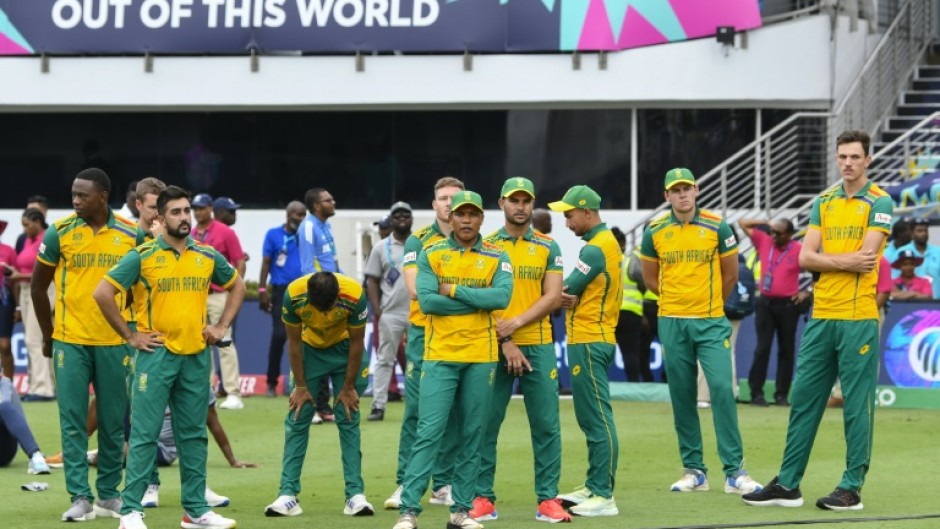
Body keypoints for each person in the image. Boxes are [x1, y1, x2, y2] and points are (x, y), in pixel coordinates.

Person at [743, 130, 892, 511]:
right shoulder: (823, 201)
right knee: (804, 402)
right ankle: (788, 485)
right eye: (842, 156)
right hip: (822, 315)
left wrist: (826, 260)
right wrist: (843, 261)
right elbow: (806, 258)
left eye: (855, 157)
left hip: (858, 317)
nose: (847, 163)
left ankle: (851, 487)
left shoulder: (880, 201)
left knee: (856, 405)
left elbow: (868, 258)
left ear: (868, 160)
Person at [93, 185, 245, 529]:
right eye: (175, 212)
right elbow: (102, 292)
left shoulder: (206, 255)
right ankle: (131, 511)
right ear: (160, 218)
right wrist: (130, 335)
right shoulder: (142, 256)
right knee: (145, 435)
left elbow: (236, 285)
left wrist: (221, 325)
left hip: (195, 357)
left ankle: (195, 511)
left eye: (187, 210)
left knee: (193, 436)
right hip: (156, 356)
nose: (184, 217)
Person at [393, 190, 513, 529]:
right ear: (451, 216)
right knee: (429, 432)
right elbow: (428, 303)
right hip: (440, 355)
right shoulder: (431, 253)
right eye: (460, 213)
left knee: (472, 433)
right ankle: (409, 511)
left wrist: (456, 291)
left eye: (472, 214)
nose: (465, 219)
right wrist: (479, 302)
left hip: (481, 356)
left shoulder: (497, 254)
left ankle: (460, 512)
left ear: (480, 219)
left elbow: (502, 296)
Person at [640, 168, 762, 497]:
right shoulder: (654, 230)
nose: (682, 195)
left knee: (722, 388)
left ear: (696, 190)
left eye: (686, 189)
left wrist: (708, 305)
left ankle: (735, 471)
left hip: (710, 321)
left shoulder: (717, 226)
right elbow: (650, 278)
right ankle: (695, 470)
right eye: (674, 190)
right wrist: (677, 303)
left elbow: (730, 275)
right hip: (672, 321)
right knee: (682, 396)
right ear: (666, 196)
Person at [32, 168, 144, 522]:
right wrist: (50, 336)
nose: (75, 200)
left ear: (103, 196)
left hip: (114, 341)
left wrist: (137, 330)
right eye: (73, 194)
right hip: (70, 341)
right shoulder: (60, 232)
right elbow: (38, 287)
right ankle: (80, 496)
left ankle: (109, 496)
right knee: (73, 421)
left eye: (83, 195)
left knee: (113, 421)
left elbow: (144, 286)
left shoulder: (132, 233)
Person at [469, 177, 570, 523]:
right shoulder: (485, 246)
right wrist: (506, 339)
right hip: (492, 347)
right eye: (514, 200)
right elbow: (481, 299)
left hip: (539, 346)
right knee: (485, 424)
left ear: (532, 204)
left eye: (526, 200)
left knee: (546, 425)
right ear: (501, 203)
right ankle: (483, 497)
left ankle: (548, 499)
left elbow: (553, 296)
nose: (520, 206)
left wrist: (516, 325)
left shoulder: (547, 246)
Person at [264, 272, 375, 518]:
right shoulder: (293, 295)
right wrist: (301, 387)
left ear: (337, 295)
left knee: (348, 415)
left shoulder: (354, 294)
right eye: (320, 309)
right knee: (297, 415)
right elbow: (292, 341)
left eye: (330, 308)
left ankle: (355, 496)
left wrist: (347, 387)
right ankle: (287, 495)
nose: (325, 315)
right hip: (309, 350)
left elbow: (357, 342)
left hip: (345, 349)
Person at [385, 177, 463, 511]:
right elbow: (419, 292)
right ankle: (405, 483)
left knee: (455, 412)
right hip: (424, 333)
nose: (448, 203)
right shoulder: (418, 241)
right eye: (442, 198)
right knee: (417, 411)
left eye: (454, 199)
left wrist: (454, 292)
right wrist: (468, 294)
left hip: (463, 333)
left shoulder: (477, 242)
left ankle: (442, 484)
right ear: (434, 205)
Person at [547, 185, 622, 517]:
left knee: (596, 418)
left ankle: (604, 494)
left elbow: (564, 291)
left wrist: (560, 295)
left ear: (587, 212)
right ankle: (594, 485)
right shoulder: (600, 245)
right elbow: (569, 294)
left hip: (591, 338)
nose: (566, 222)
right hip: (590, 337)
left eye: (569, 214)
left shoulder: (595, 250)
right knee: (591, 417)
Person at [140, 389, 257, 510]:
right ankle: (148, 485)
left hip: (165, 451)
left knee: (193, 424)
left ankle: (199, 488)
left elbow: (213, 422)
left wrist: (232, 459)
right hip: (146, 446)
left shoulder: (199, 380)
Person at [738, 217, 810, 407]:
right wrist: (768, 223)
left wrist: (807, 292)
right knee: (762, 348)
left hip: (788, 305)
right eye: (773, 232)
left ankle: (781, 395)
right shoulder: (764, 240)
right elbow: (743, 223)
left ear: (790, 235)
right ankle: (756, 393)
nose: (774, 236)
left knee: (786, 350)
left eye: (779, 233)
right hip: (765, 304)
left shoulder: (798, 249)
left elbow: (819, 272)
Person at [192, 193, 247, 410]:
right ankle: (209, 388)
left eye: (201, 208)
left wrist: (235, 288)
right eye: (195, 208)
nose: (198, 212)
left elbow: (239, 261)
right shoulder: (193, 233)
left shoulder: (225, 232)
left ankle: (233, 392)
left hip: (219, 294)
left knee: (224, 341)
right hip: (197, 295)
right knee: (200, 342)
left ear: (210, 209)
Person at [364, 202, 413, 421]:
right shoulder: (380, 247)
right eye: (397, 215)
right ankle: (378, 405)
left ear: (412, 219)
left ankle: (419, 404)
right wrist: (377, 309)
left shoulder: (421, 243)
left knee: (419, 361)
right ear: (391, 220)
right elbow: (371, 281)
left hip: (418, 312)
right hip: (390, 313)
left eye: (406, 214)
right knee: (384, 359)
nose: (401, 218)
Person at [299, 187, 340, 423]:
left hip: (332, 294)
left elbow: (331, 261)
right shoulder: (308, 227)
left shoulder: (325, 226)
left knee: (328, 349)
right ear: (317, 206)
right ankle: (310, 406)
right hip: (318, 296)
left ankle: (323, 406)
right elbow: (307, 267)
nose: (333, 202)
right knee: (313, 351)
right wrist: (318, 296)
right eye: (328, 199)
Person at [259, 201, 307, 397]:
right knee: (279, 336)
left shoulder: (306, 235)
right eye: (298, 214)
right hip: (281, 291)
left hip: (305, 290)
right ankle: (271, 382)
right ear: (289, 215)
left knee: (304, 339)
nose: (302, 218)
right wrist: (262, 289)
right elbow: (266, 263)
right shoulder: (273, 234)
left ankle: (299, 383)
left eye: (304, 215)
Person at [14, 208, 55, 401]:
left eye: (27, 225)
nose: (24, 229)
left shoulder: (46, 239)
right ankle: (44, 385)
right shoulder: (27, 240)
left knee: (33, 338)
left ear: (38, 222)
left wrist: (19, 275)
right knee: (40, 339)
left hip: (41, 290)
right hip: (25, 290)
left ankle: (42, 388)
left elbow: (48, 271)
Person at [610, 227, 649, 382]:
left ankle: (597, 387)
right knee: (630, 352)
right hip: (630, 313)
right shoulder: (629, 262)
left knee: (603, 352)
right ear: (623, 243)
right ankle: (633, 385)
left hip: (609, 313)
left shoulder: (602, 263)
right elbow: (644, 283)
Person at [0, 373, 51, 474]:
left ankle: (36, 456)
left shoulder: (3, 383)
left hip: (3, 448)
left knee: (5, 407)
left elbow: (9, 414)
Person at [898, 218, 940, 297]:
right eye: (919, 231)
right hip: (908, 304)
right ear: (912, 233)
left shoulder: (938, 252)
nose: (923, 233)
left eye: (925, 231)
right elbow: (895, 279)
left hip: (937, 304)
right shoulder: (902, 252)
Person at [0, 221, 16, 378]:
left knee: (4, 346)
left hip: (4, 300)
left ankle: (9, 387)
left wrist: (18, 308)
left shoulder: (9, 251)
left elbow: (15, 280)